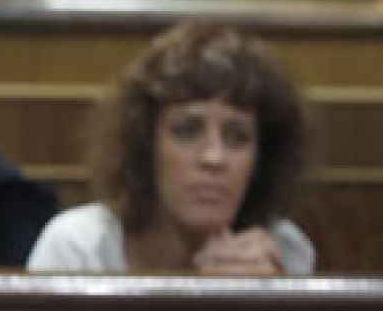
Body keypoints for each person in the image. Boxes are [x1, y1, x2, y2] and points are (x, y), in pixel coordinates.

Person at [28, 22, 313, 273]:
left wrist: (262, 305)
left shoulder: (285, 250)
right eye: (187, 132)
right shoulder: (78, 248)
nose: (214, 158)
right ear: (146, 144)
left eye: (237, 137)